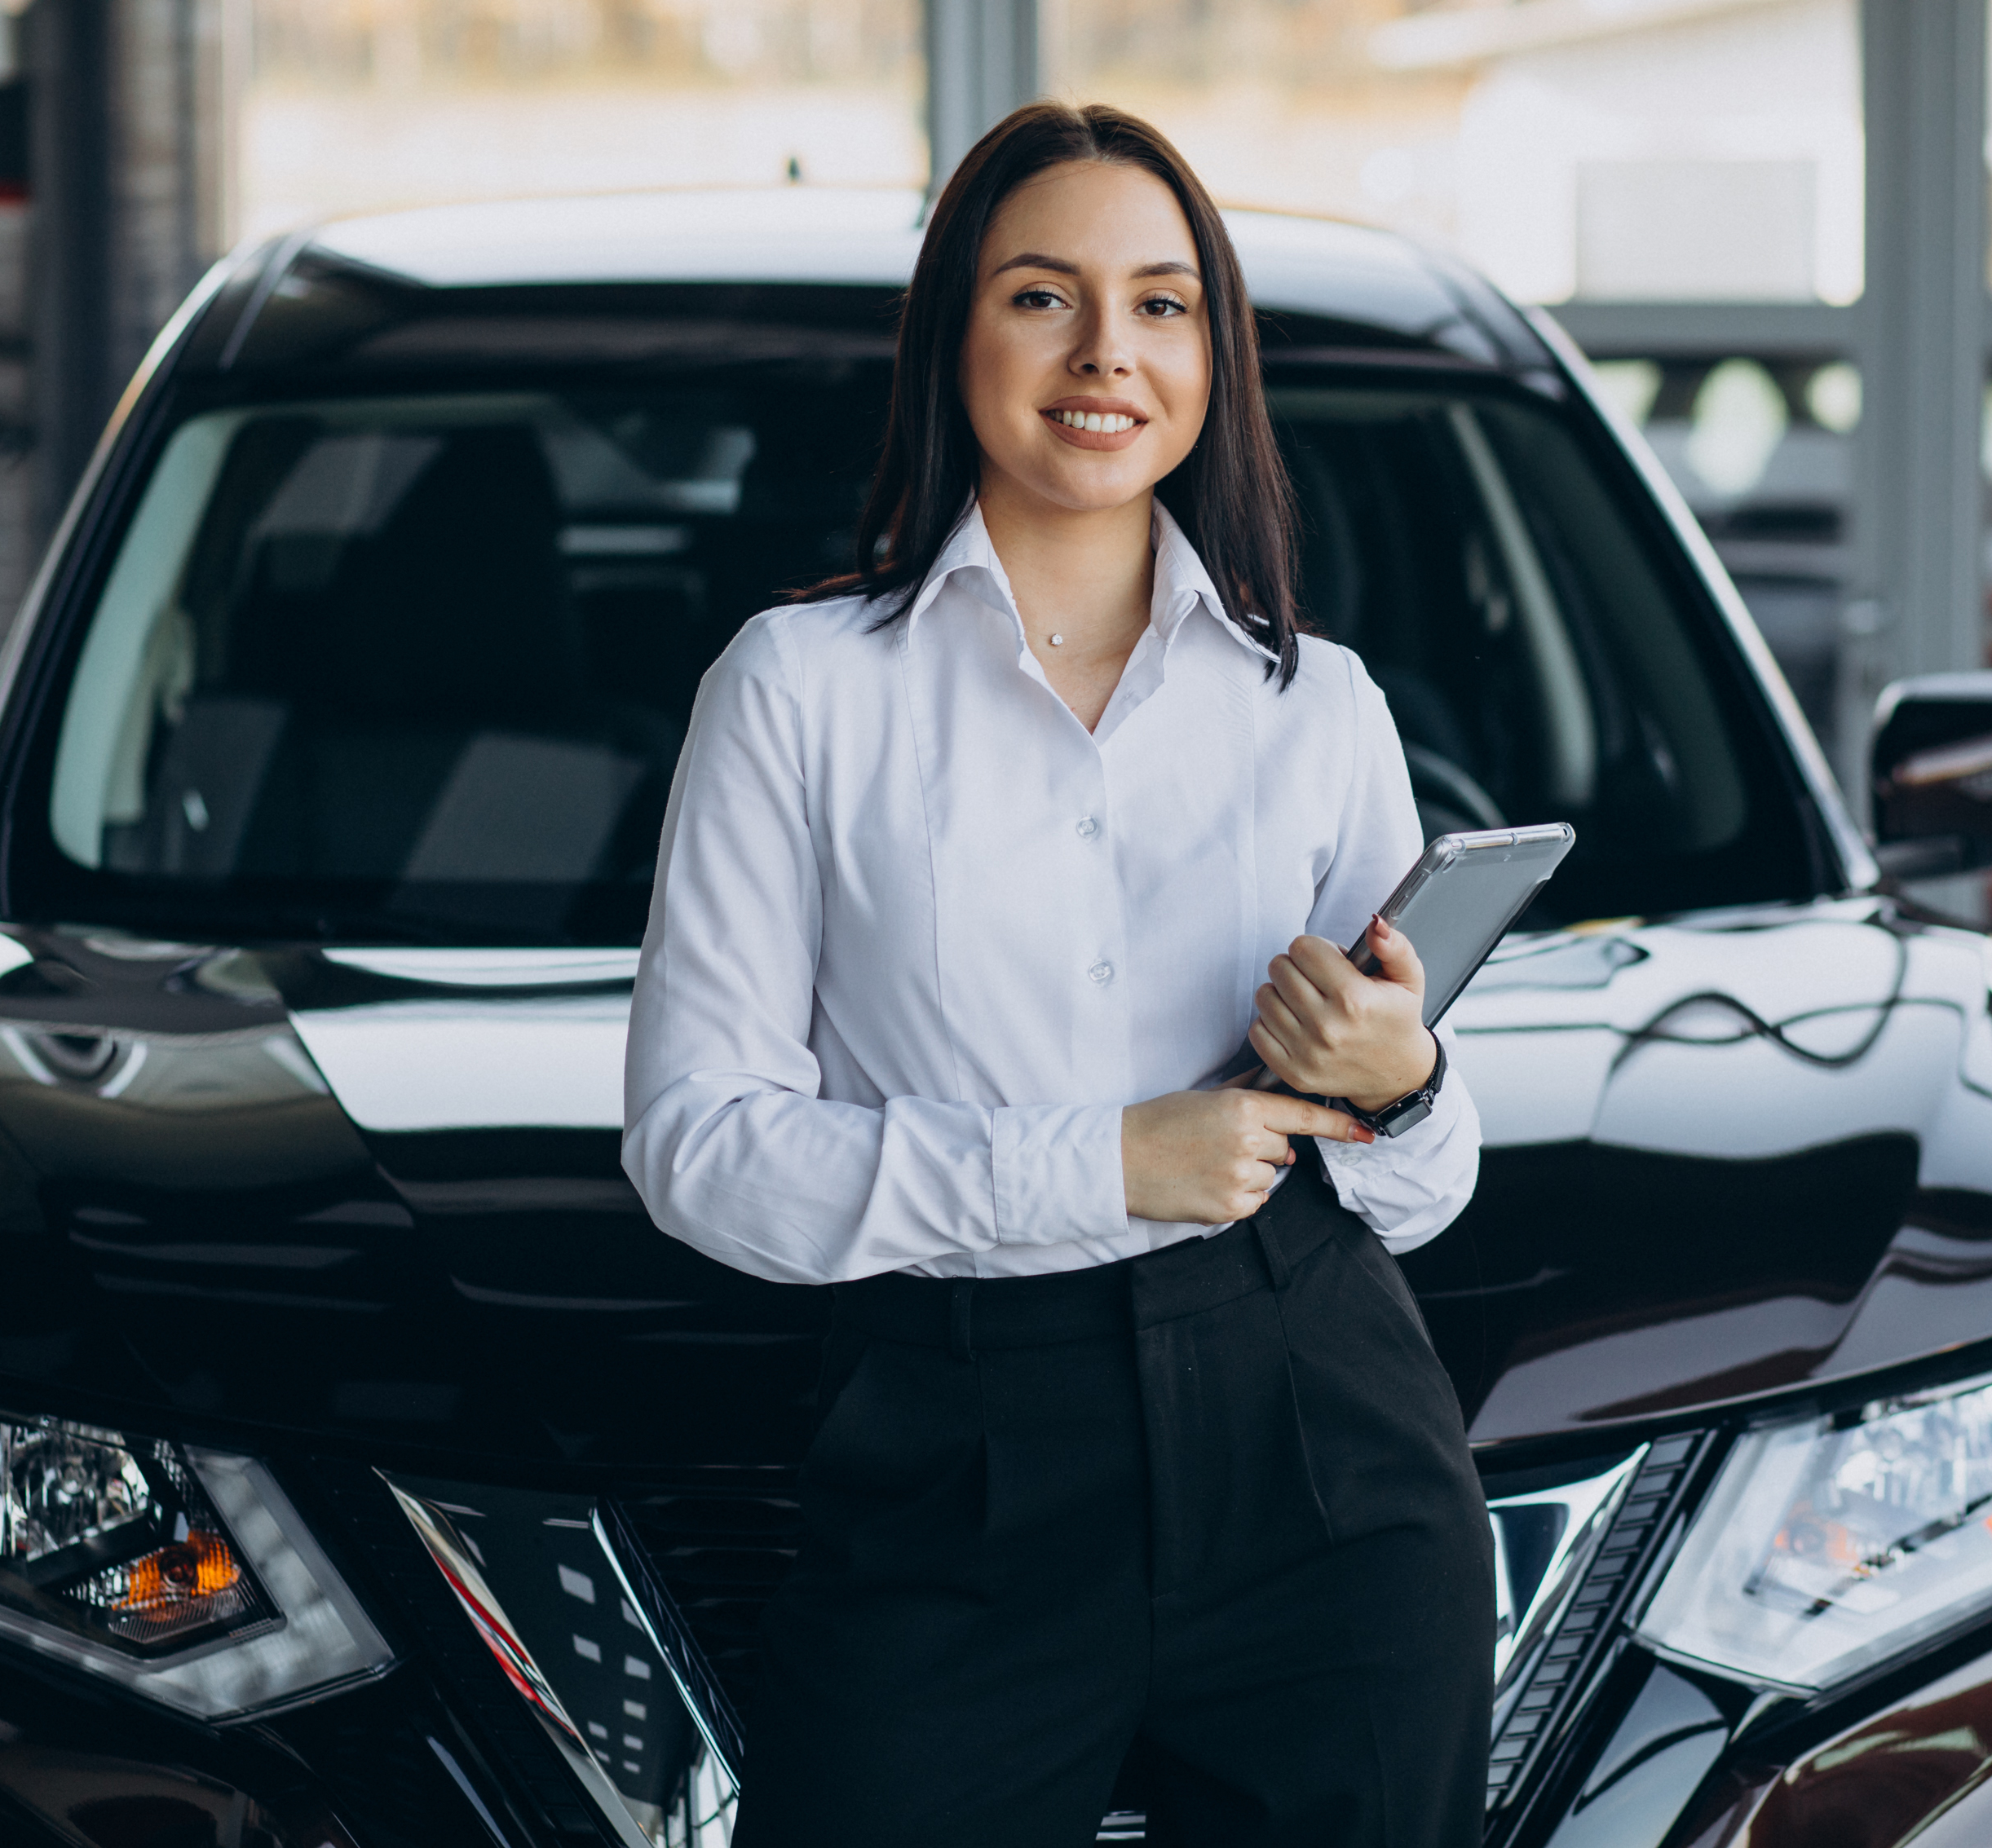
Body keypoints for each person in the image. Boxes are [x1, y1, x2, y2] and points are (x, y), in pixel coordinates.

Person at [622, 100, 1490, 1848]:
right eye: (1042, 296)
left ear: (1212, 356)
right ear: (954, 330)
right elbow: (698, 1145)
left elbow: (1422, 1192)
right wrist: (1098, 1164)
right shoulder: (799, 691)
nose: (1107, 353)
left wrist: (1399, 1084)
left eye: (1162, 305)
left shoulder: (1313, 706)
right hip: (956, 1456)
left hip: (1320, 1424)